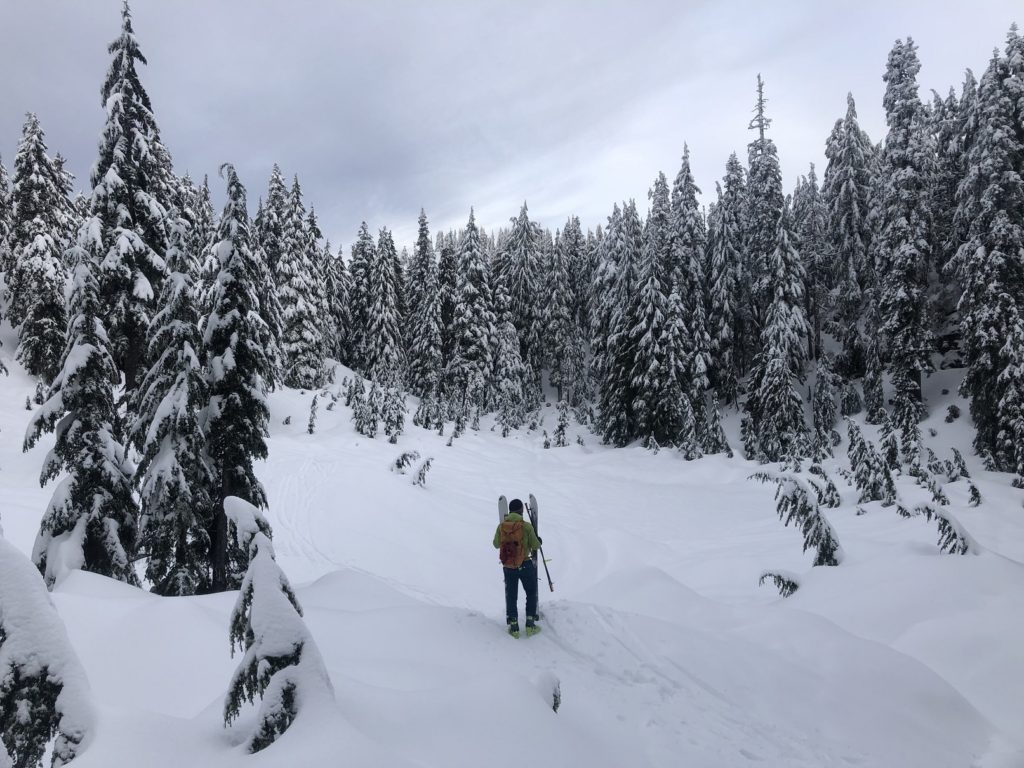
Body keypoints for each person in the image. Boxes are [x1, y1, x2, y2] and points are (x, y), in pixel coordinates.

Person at [493, 498, 542, 637]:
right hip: (525, 564)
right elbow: (535, 545)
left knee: (511, 596)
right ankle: (530, 625)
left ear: (509, 511)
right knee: (531, 593)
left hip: (509, 566)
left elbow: (496, 544)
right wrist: (539, 540)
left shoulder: (501, 526)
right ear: (521, 510)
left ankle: (514, 628)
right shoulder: (526, 526)